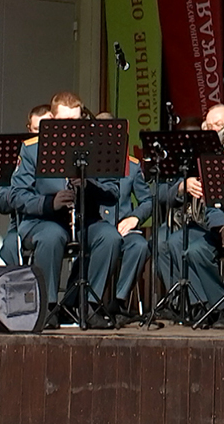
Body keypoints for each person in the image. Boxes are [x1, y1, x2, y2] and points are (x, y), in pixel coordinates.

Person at [8, 92, 121, 327]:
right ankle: (47, 307)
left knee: (110, 237)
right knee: (52, 236)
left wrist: (88, 186)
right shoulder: (31, 150)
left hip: (81, 221)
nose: (72, 128)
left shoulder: (93, 148)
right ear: (51, 120)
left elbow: (113, 192)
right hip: (42, 222)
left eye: (76, 122)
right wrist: (50, 202)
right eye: (65, 122)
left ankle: (88, 305)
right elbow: (17, 195)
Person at [156, 103, 224, 328]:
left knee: (195, 249)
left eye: (219, 125)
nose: (213, 130)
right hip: (198, 223)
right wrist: (183, 185)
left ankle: (223, 305)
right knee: (170, 241)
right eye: (209, 126)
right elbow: (160, 192)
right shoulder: (191, 156)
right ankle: (199, 304)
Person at [94, 112, 153, 325]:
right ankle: (93, 304)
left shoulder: (133, 166)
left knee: (140, 246)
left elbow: (147, 201)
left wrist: (135, 218)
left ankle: (118, 301)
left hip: (124, 228)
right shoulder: (89, 163)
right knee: (106, 241)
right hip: (97, 228)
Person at [0, 103, 51, 266]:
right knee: (10, 247)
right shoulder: (21, 156)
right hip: (24, 223)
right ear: (29, 130)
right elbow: (2, 203)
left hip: (53, 222)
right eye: (36, 130)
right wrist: (18, 195)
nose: (41, 136)